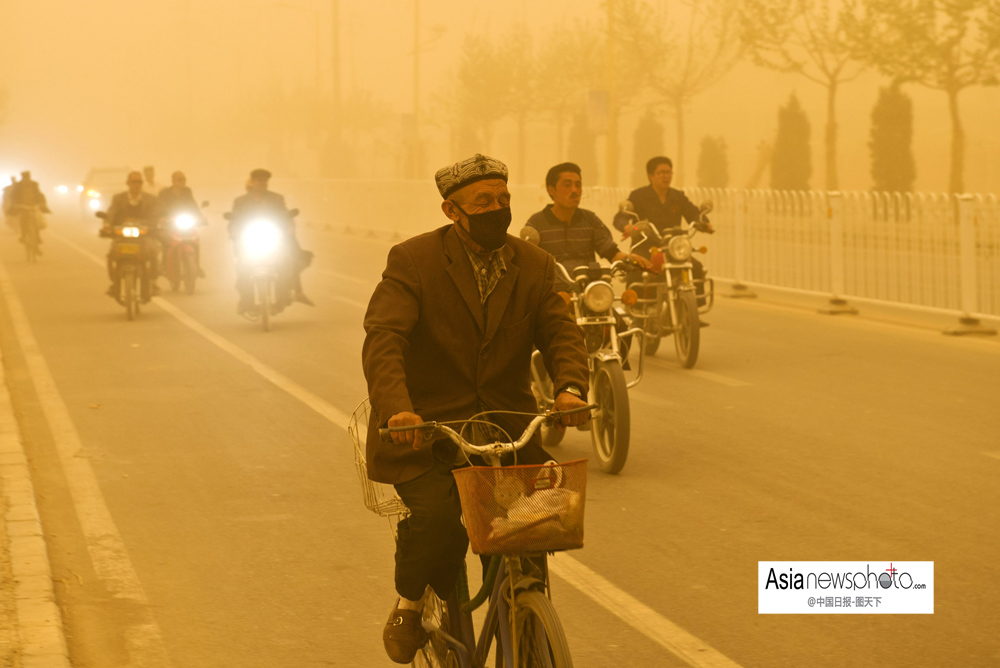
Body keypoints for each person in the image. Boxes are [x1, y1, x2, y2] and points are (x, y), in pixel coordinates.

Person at [362, 153, 591, 664]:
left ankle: (527, 613)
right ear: (452, 210)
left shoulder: (535, 265)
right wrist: (398, 409)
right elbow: (384, 338)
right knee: (439, 521)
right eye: (483, 201)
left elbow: (561, 332)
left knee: (532, 527)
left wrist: (571, 387)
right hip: (428, 431)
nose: (497, 209)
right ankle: (410, 602)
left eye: (503, 199)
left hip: (507, 429)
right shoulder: (414, 261)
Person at [613, 156, 714, 311]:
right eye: (661, 173)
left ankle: (693, 312)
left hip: (672, 248)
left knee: (696, 267)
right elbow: (620, 217)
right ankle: (637, 310)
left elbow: (693, 213)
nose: (666, 176)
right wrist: (627, 226)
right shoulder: (638, 196)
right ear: (650, 176)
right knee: (637, 270)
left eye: (668, 172)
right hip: (646, 246)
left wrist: (704, 223)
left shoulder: (678, 196)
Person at [526, 162, 651, 274]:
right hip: (551, 289)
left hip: (588, 288)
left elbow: (611, 252)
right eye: (567, 185)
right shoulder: (536, 223)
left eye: (578, 185)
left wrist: (630, 258)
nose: (574, 190)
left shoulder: (590, 220)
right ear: (551, 190)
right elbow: (527, 260)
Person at [227, 168, 313, 314]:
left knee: (285, 265)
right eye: (259, 181)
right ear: (252, 182)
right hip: (249, 241)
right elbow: (233, 221)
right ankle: (246, 301)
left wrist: (289, 228)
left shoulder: (277, 199)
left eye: (265, 181)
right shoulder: (240, 201)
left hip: (273, 239)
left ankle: (284, 298)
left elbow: (285, 215)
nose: (262, 183)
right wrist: (234, 231)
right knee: (242, 268)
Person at [102, 171, 162, 299]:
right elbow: (112, 213)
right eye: (134, 182)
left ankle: (153, 282)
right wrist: (107, 224)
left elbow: (154, 217)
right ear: (128, 183)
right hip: (122, 236)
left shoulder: (151, 199)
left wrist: (138, 222)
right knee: (112, 254)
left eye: (139, 182)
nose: (136, 185)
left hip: (144, 235)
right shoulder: (118, 198)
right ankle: (114, 284)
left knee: (153, 250)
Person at [158, 171, 206, 277]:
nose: (182, 182)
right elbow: (159, 208)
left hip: (186, 224)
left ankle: (196, 265)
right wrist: (162, 218)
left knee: (195, 239)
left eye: (184, 179)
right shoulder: (164, 193)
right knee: (167, 241)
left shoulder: (187, 191)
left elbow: (193, 205)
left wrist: (200, 216)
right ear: (173, 181)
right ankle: (164, 265)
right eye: (179, 179)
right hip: (170, 225)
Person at [10, 171, 51, 252]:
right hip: (22, 206)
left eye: (27, 177)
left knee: (36, 222)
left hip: (33, 205)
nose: (27, 179)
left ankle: (37, 238)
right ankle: (23, 236)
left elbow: (39, 194)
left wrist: (42, 203)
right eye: (25, 177)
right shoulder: (18, 185)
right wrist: (15, 204)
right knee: (23, 221)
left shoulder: (34, 184)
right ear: (23, 177)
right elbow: (13, 195)